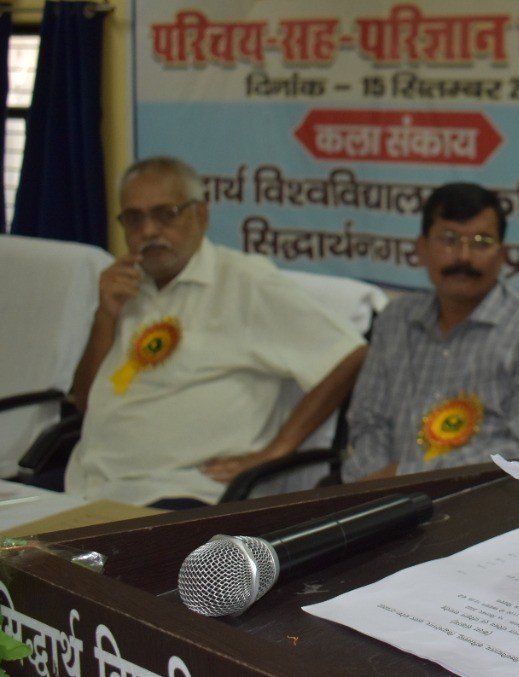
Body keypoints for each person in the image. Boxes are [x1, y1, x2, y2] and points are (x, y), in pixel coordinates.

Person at [63, 157, 367, 509]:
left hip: (180, 493)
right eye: (134, 218)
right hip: (87, 481)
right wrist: (105, 316)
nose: (147, 231)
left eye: (165, 214)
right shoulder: (128, 286)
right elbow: (85, 401)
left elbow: (349, 355)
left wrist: (278, 449)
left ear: (201, 215)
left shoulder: (244, 283)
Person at [342, 182, 519, 481]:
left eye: (481, 242)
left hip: (485, 502)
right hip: (376, 497)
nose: (463, 257)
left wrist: (406, 477)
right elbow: (366, 422)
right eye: (449, 239)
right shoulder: (396, 320)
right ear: (421, 249)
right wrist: (372, 486)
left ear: (502, 255)